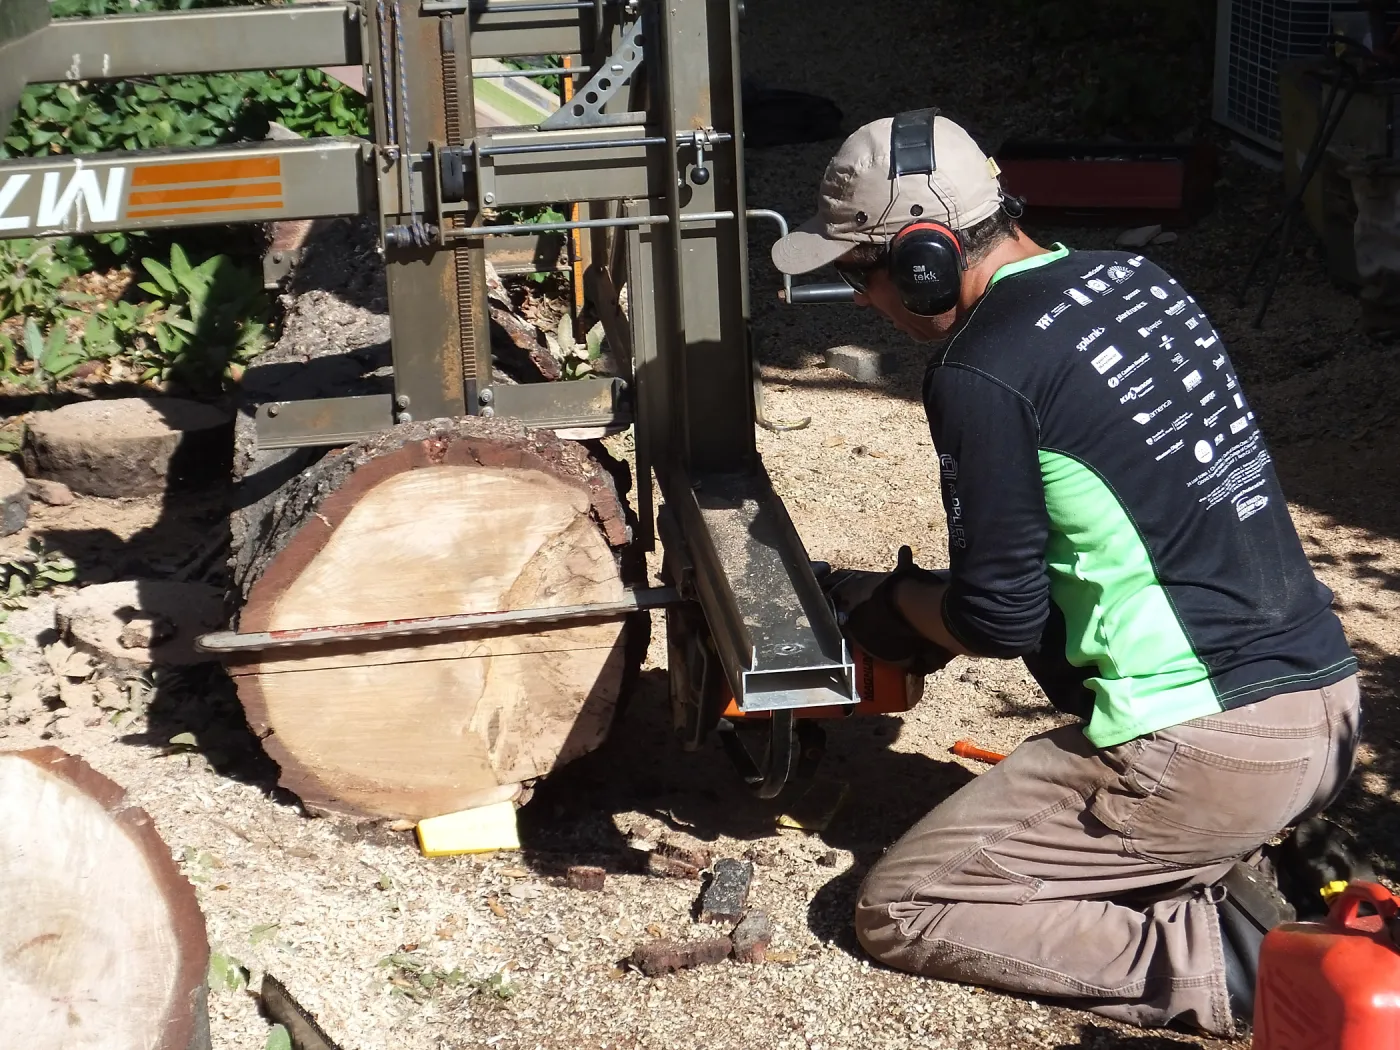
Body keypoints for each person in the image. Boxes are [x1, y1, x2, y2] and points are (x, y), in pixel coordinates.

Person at [771, 109, 1362, 1038]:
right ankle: (1223, 859)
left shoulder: (983, 369)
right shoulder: (1138, 279)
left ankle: (1239, 968)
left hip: (1211, 747)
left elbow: (999, 616)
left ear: (925, 260)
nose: (858, 298)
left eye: (861, 270)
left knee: (905, 906)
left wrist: (889, 612)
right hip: (1323, 707)